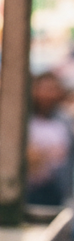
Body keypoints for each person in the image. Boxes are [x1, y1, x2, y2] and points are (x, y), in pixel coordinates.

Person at [26, 71, 74, 205]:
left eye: (52, 89)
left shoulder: (65, 120)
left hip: (57, 188)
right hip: (28, 188)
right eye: (43, 89)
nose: (47, 95)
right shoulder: (23, 120)